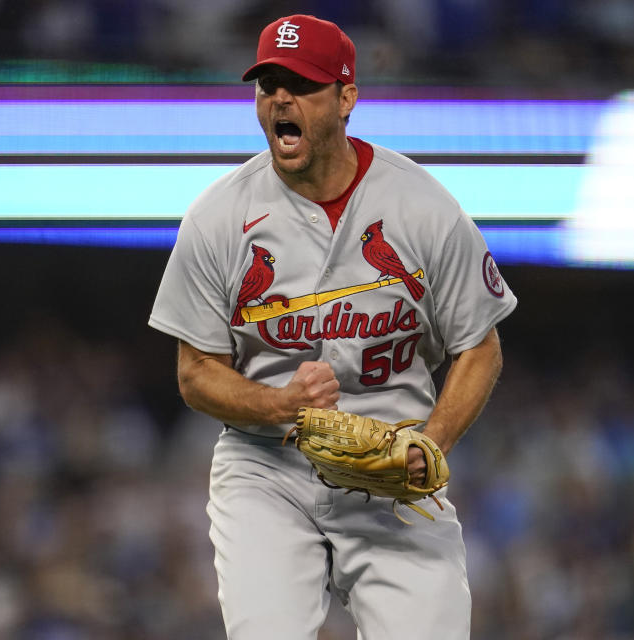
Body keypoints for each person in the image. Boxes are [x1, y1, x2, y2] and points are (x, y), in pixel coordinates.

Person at [149, 14, 517, 639]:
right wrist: (277, 404)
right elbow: (195, 373)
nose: (280, 99)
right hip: (266, 467)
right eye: (268, 85)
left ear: (347, 98)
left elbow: (479, 347)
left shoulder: (423, 208)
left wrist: (433, 442)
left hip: (391, 463)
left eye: (301, 83)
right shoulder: (218, 217)